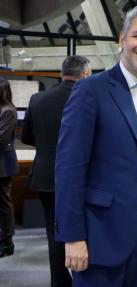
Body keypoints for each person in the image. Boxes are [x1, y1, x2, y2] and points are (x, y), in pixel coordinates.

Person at [55, 5, 137, 287]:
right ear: (122, 40)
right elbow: (69, 169)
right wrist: (73, 237)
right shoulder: (90, 91)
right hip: (100, 236)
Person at [20, 55, 91, 286]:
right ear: (85, 74)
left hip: (45, 177)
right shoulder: (89, 99)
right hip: (83, 179)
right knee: (84, 233)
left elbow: (26, 136)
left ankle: (59, 282)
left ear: (63, 73)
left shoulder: (38, 99)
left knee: (54, 235)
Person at [0, 77, 18, 258]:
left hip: (3, 166)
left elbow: (1, 138)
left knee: (4, 204)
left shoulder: (8, 111)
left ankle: (7, 240)